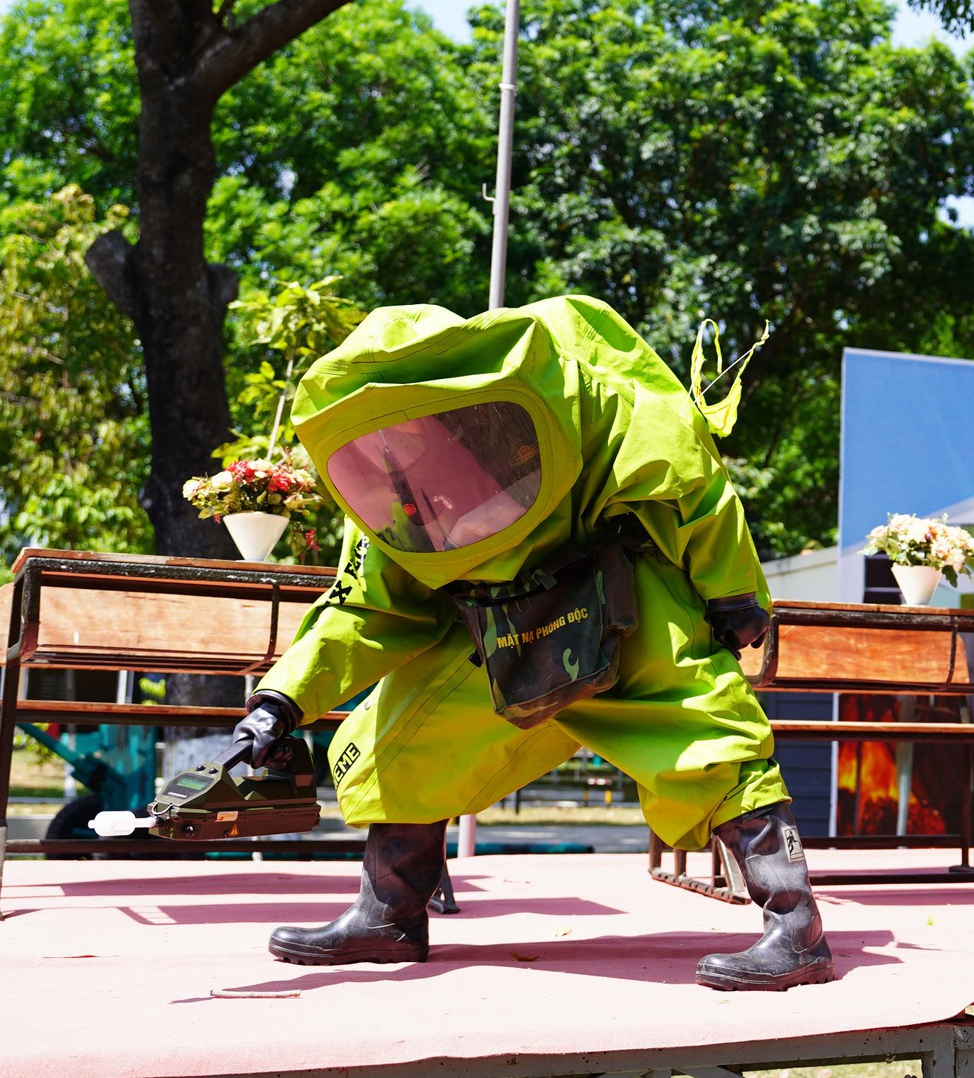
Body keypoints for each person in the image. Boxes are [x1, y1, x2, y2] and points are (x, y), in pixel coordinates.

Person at [228, 295, 834, 991]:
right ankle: (387, 913)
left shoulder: (587, 395)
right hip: (494, 634)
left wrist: (732, 591)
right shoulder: (400, 501)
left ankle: (798, 927)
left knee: (710, 733)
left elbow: (688, 477)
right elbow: (362, 607)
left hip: (622, 600)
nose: (407, 449)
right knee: (404, 735)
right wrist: (279, 700)